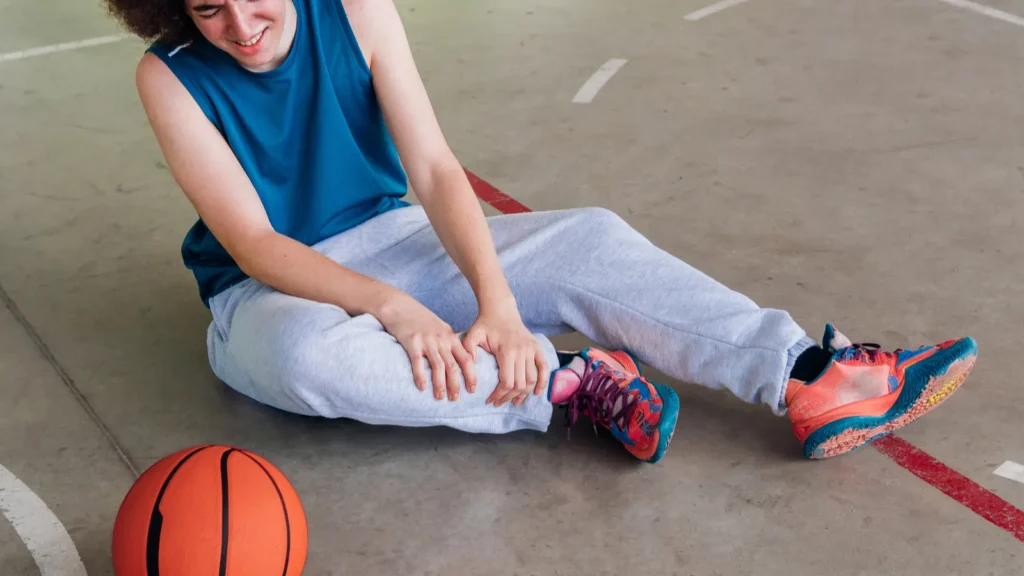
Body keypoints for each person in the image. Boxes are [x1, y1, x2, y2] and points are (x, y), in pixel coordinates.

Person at [106, 0, 977, 463]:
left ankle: (807, 376)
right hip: (269, 291)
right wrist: (396, 311)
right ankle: (561, 390)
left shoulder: (355, 8)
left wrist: (497, 305)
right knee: (308, 361)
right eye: (210, 8)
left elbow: (441, 173)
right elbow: (257, 244)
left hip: (390, 236)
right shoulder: (169, 75)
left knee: (585, 238)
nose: (242, 28)